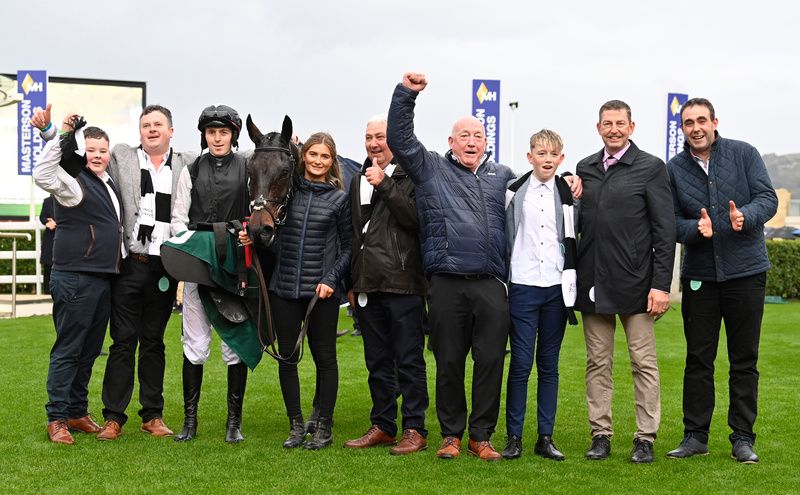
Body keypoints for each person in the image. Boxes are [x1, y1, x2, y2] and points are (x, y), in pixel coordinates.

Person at [387, 72, 515, 461]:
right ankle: (451, 435)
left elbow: (540, 190)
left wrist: (570, 184)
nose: (471, 142)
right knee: (448, 361)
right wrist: (406, 94)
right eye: (464, 136)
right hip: (445, 283)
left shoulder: (502, 176)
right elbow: (400, 140)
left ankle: (482, 436)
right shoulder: (430, 169)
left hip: (491, 283)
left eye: (477, 136)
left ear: (486, 142)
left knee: (491, 361)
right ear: (451, 142)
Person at [665, 98, 777, 464]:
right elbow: (669, 222)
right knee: (698, 359)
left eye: (701, 120)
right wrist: (694, 229)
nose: (695, 127)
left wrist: (746, 215)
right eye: (687, 122)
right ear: (682, 128)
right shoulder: (674, 169)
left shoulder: (744, 154)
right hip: (700, 278)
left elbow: (768, 198)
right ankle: (695, 436)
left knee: (744, 360)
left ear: (714, 122)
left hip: (746, 274)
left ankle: (743, 437)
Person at [575, 100, 675, 463]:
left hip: (637, 283)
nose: (613, 129)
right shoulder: (584, 168)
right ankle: (600, 435)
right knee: (597, 363)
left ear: (632, 127)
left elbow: (664, 233)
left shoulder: (651, 168)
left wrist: (660, 285)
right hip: (594, 282)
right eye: (607, 123)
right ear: (598, 127)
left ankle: (644, 438)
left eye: (620, 123)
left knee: (643, 362)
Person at [94, 105, 195, 441]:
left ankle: (152, 415)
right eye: (146, 125)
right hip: (130, 265)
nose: (152, 130)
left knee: (153, 343)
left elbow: (227, 155)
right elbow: (88, 157)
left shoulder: (185, 161)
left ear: (171, 131)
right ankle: (113, 418)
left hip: (164, 268)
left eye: (158, 125)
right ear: (140, 132)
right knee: (123, 342)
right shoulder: (122, 156)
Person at [31, 106, 123, 444]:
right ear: (82, 152)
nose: (98, 155)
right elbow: (42, 173)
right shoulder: (70, 181)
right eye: (92, 150)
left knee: (89, 350)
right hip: (74, 276)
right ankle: (56, 417)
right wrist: (62, 133)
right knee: (68, 349)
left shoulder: (108, 183)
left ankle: (76, 411)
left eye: (103, 150)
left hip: (102, 279)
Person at [343, 115, 429, 455]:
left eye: (380, 136)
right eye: (368, 137)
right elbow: (354, 234)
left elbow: (414, 219)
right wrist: (352, 281)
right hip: (367, 284)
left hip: (403, 282)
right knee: (376, 361)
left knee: (409, 360)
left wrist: (385, 184)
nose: (374, 143)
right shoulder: (356, 179)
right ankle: (383, 425)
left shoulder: (412, 176)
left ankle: (415, 428)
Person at [170, 104, 251, 443]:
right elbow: (177, 218)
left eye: (223, 132)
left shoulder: (247, 168)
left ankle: (234, 422)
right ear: (204, 135)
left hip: (234, 259)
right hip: (199, 261)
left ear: (233, 135)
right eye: (211, 132)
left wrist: (248, 234)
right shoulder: (191, 169)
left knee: (234, 341)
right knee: (195, 341)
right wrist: (189, 250)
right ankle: (190, 421)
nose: (217, 138)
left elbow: (255, 210)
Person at [270, 132, 352, 451]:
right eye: (312, 154)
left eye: (325, 156)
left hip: (322, 293)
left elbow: (348, 247)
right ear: (303, 156)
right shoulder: (285, 194)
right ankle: (296, 424)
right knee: (287, 358)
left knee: (325, 358)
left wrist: (331, 278)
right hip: (284, 288)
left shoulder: (339, 198)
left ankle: (323, 426)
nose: (318, 161)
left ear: (332, 161)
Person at [502, 129, 577, 461]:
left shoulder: (568, 193)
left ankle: (545, 437)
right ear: (529, 157)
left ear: (561, 159)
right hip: (522, 285)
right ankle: (513, 437)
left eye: (553, 155)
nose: (547, 160)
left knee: (549, 365)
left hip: (556, 289)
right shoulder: (513, 192)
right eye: (541, 153)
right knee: (520, 364)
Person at [39, 195, 55, 295]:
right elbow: (42, 216)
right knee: (48, 263)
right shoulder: (47, 201)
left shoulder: (65, 199)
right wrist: (47, 222)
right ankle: (47, 291)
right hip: (50, 236)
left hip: (63, 235)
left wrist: (56, 223)